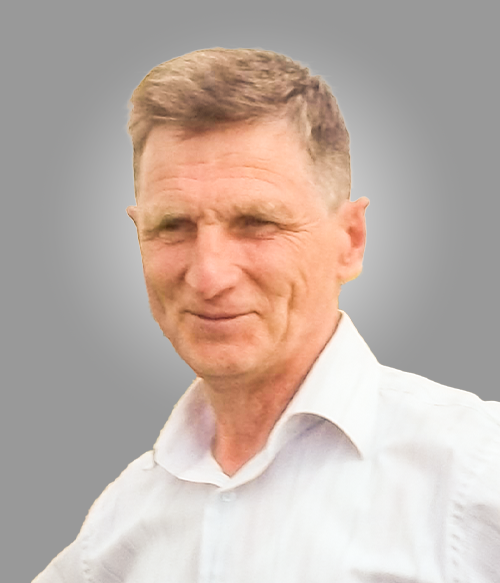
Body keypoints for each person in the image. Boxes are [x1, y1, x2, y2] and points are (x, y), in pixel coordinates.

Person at [34, 48, 500, 582]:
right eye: (173, 226)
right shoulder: (119, 527)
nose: (209, 275)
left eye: (257, 222)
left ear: (350, 240)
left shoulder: (475, 471)